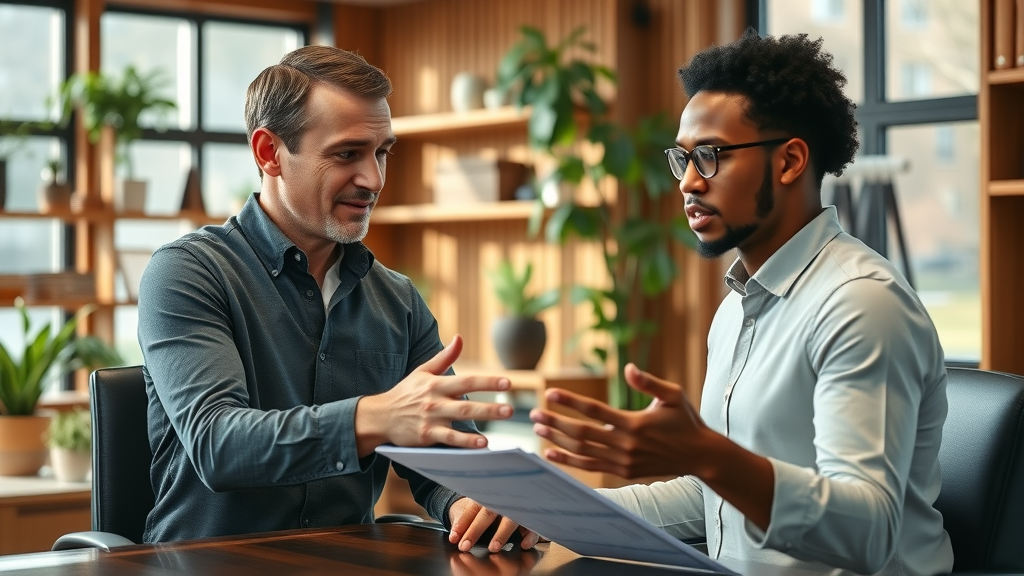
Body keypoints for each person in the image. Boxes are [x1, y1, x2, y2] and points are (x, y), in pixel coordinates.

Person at [528, 30, 953, 575]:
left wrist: (707, 454)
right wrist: (550, 511)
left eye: (709, 156)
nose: (687, 182)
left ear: (790, 161)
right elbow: (715, 502)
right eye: (681, 159)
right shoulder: (736, 308)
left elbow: (867, 532)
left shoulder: (862, 305)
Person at [138, 45, 537, 553]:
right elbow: (221, 446)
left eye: (382, 153)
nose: (372, 179)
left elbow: (443, 459)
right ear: (269, 153)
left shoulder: (398, 300)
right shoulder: (187, 273)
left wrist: (468, 504)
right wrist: (375, 417)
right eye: (347, 154)